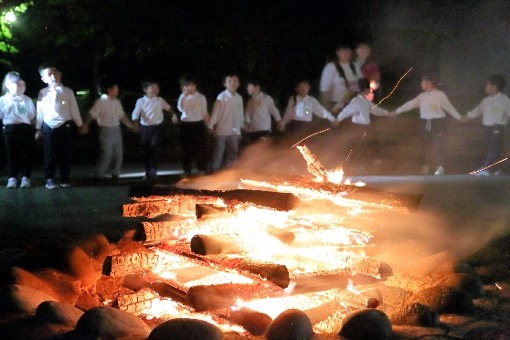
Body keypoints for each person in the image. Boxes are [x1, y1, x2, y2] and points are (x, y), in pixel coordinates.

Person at [391, 73, 463, 175]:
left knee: (439, 145)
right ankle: (426, 166)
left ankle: (440, 167)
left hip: (437, 123)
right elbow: (410, 104)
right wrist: (397, 111)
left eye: (423, 82)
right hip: (425, 123)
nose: (421, 84)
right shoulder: (422, 96)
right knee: (425, 145)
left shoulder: (440, 95)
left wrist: (459, 117)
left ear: (429, 83)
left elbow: (449, 107)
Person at [36, 63, 82, 189]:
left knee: (65, 153)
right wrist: (38, 128)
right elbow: (40, 112)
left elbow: (74, 109)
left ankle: (65, 177)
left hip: (64, 125)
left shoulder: (67, 91)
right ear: (44, 79)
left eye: (55, 73)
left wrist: (80, 124)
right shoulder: (43, 93)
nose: (53, 77)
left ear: (60, 74)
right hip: (48, 125)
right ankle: (50, 178)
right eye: (49, 75)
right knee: (49, 153)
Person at [79, 78, 134, 182]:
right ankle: (99, 175)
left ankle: (115, 174)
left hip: (116, 129)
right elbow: (91, 114)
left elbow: (122, 116)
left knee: (119, 153)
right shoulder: (100, 102)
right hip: (105, 130)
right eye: (116, 88)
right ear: (110, 89)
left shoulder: (117, 102)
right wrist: (85, 125)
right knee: (107, 153)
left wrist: (131, 126)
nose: (118, 90)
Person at [336, 78, 391, 174]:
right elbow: (347, 111)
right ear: (365, 90)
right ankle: (352, 166)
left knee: (364, 146)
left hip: (365, 128)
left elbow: (376, 110)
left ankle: (359, 164)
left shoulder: (365, 102)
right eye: (368, 89)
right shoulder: (357, 101)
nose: (370, 91)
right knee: (357, 147)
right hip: (358, 127)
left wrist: (387, 113)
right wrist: (338, 119)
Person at [462, 74, 510, 175]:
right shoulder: (486, 101)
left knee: (493, 149)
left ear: (494, 86)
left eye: (487, 84)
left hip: (497, 128)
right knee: (492, 149)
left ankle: (485, 169)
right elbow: (478, 110)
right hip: (487, 128)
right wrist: (467, 117)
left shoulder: (504, 100)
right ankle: (498, 170)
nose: (486, 87)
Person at [131, 79, 178, 180]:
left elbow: (168, 107)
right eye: (153, 87)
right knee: (147, 150)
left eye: (157, 87)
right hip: (145, 128)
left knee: (154, 148)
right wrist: (135, 122)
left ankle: (153, 171)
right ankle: (148, 171)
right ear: (145, 89)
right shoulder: (141, 101)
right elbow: (136, 112)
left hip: (157, 128)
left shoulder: (159, 100)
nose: (156, 89)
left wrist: (173, 114)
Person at [0, 72, 36, 188]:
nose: (20, 86)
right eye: (16, 83)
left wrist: (34, 129)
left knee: (26, 153)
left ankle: (26, 176)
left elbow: (31, 117)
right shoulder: (2, 100)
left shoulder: (26, 100)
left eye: (22, 84)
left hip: (25, 128)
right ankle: (12, 177)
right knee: (11, 154)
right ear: (8, 84)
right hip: (9, 128)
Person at [207, 73, 244, 173]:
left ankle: (229, 172)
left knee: (233, 152)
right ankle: (215, 171)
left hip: (235, 130)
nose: (233, 83)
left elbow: (240, 113)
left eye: (235, 81)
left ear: (239, 83)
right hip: (222, 129)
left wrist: (241, 127)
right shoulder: (221, 97)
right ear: (225, 83)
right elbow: (216, 113)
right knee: (219, 152)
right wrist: (210, 125)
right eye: (230, 81)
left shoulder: (239, 98)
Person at [177, 74, 209, 178]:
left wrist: (208, 125)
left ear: (195, 85)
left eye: (190, 85)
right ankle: (187, 170)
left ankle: (202, 169)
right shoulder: (182, 97)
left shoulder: (201, 97)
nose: (188, 88)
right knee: (186, 149)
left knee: (200, 148)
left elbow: (204, 112)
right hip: (186, 125)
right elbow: (180, 109)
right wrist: (184, 97)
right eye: (185, 86)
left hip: (198, 124)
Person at [319, 44, 361, 112]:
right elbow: (324, 90)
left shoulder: (355, 65)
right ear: (337, 52)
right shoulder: (331, 67)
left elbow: (360, 83)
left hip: (352, 104)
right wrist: (328, 107)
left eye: (348, 51)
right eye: (343, 51)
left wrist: (353, 88)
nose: (346, 53)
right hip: (335, 105)